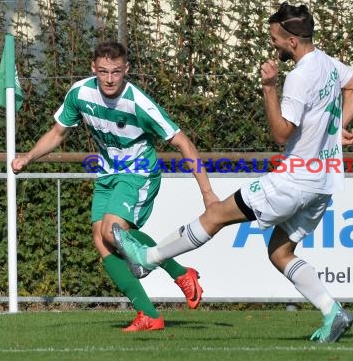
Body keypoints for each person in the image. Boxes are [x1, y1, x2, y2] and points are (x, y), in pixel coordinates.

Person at [112, 2, 353, 343]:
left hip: (293, 180)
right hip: (323, 182)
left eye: (276, 39)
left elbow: (281, 135)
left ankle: (148, 258)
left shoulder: (299, 77)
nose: (273, 45)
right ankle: (332, 312)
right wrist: (337, 131)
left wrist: (269, 87)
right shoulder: (326, 62)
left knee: (216, 214)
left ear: (292, 41)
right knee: (280, 253)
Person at [11, 40, 219, 332]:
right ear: (93, 68)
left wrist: (207, 192)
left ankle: (181, 274)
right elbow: (58, 132)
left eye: (116, 72)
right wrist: (29, 157)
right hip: (107, 174)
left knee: (112, 230)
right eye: (103, 71)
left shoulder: (138, 103)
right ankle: (149, 313)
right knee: (101, 237)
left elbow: (183, 142)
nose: (109, 79)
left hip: (138, 173)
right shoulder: (80, 93)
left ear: (127, 70)